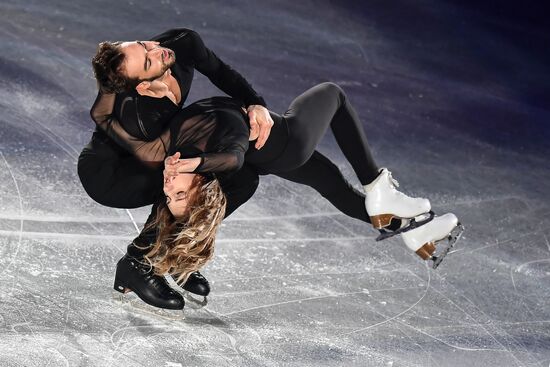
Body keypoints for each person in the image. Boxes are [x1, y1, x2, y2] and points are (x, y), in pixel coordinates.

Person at [91, 79, 464, 312]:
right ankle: (382, 191)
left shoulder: (177, 166)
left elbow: (173, 191)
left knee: (334, 188)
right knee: (333, 95)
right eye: (178, 188)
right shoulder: (208, 162)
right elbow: (231, 157)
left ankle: (413, 227)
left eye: (169, 191)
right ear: (203, 179)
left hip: (264, 154)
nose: (169, 182)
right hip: (284, 144)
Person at [79, 28, 275, 311]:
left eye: (145, 45)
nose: (157, 51)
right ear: (143, 86)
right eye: (148, 62)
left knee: (243, 179)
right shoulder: (138, 115)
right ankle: (138, 262)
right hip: (111, 174)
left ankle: (173, 255)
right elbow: (169, 168)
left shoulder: (181, 44)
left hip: (156, 152)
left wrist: (255, 102)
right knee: (187, 183)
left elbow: (220, 71)